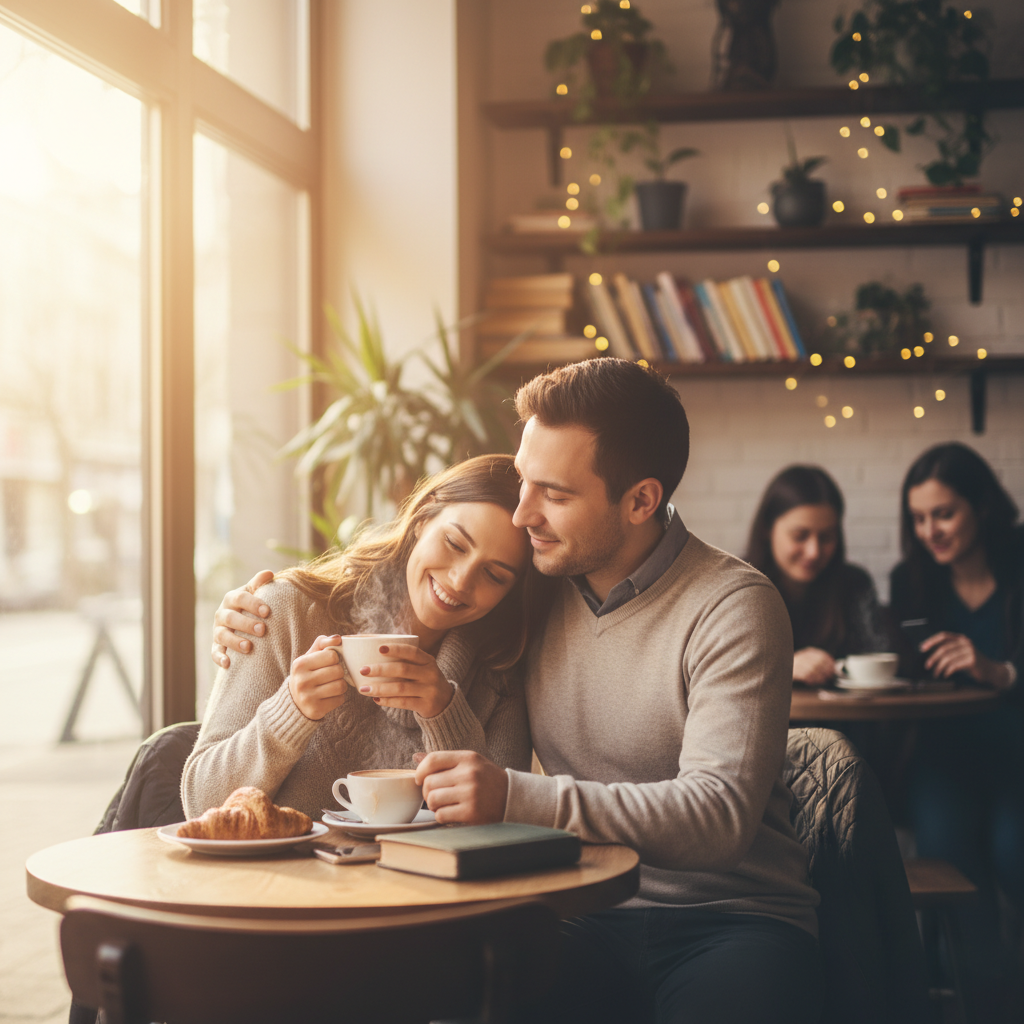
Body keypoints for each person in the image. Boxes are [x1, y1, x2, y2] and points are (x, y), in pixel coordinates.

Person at [215, 359, 823, 1024]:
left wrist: (514, 794)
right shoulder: (530, 585)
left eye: (553, 495)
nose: (523, 512)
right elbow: (425, 570)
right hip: (579, 909)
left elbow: (719, 819)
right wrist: (254, 609)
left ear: (640, 501)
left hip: (730, 918)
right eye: (525, 481)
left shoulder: (734, 606)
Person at [183, 454, 555, 821]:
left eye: (494, 575)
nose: (460, 580)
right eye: (455, 544)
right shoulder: (286, 612)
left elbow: (501, 831)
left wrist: (446, 715)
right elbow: (201, 803)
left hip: (418, 866)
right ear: (422, 519)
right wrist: (289, 713)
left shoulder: (498, 672)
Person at [890, 442, 1023, 1016]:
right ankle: (982, 1005)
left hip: (1015, 755)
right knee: (952, 877)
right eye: (919, 518)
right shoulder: (910, 580)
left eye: (943, 514)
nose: (930, 531)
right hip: (944, 760)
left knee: (1014, 855)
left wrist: (1000, 671)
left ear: (982, 506)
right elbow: (910, 667)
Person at [745, 464, 885, 685]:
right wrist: (783, 666)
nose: (814, 552)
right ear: (767, 529)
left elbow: (878, 658)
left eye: (827, 537)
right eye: (800, 536)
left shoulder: (854, 584)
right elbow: (714, 673)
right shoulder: (736, 586)